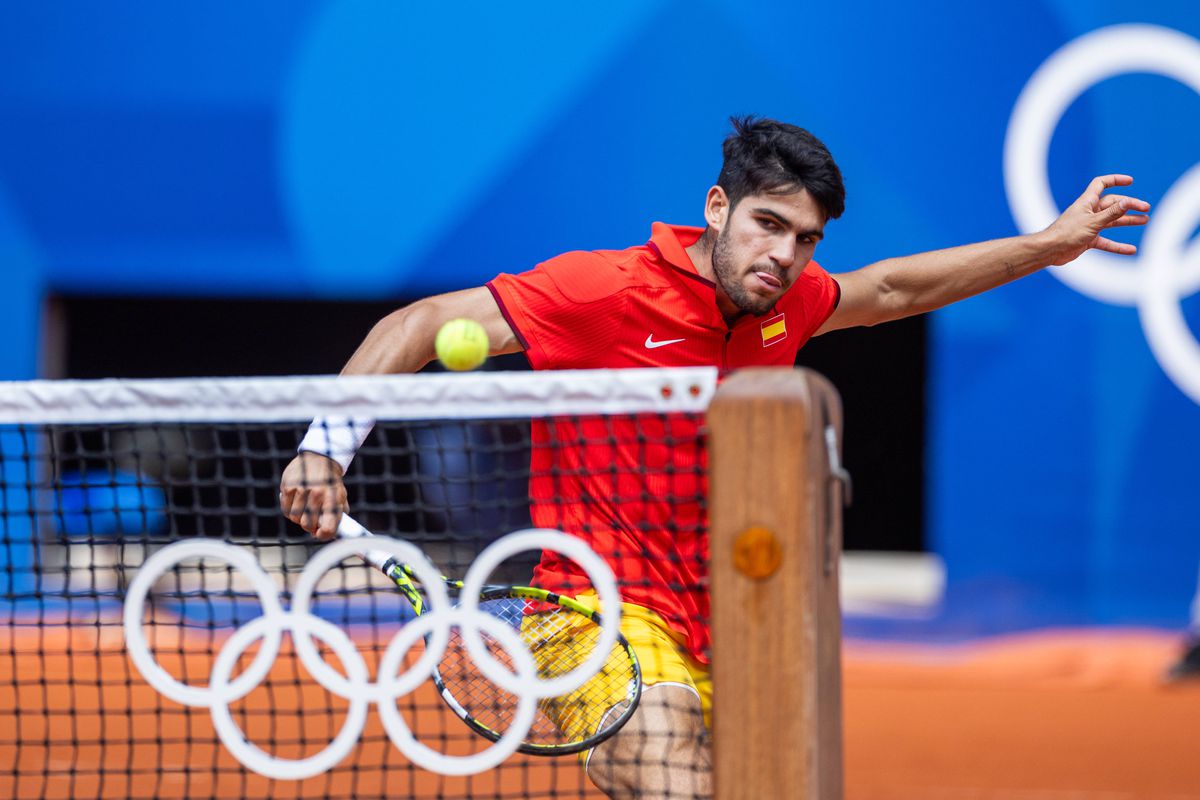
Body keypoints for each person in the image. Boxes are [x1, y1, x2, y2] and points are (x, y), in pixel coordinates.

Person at [280, 116, 1148, 799]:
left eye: (805, 239)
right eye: (769, 224)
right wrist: (326, 449)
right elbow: (417, 326)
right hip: (600, 615)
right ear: (717, 208)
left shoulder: (789, 302)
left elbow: (892, 289)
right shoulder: (608, 292)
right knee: (672, 783)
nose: (784, 256)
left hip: (739, 621)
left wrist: (1048, 247)